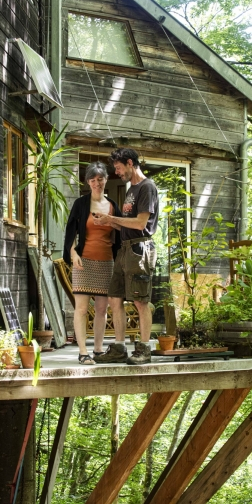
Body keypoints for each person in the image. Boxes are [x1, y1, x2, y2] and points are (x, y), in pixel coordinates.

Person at [93, 148, 159, 365]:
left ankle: (144, 350)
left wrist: (112, 217)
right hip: (125, 249)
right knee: (114, 297)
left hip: (139, 251)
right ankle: (119, 348)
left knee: (140, 301)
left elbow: (141, 224)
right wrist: (108, 222)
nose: (117, 173)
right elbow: (127, 225)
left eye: (119, 168)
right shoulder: (131, 190)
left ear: (130, 163)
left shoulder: (147, 188)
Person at [63, 162, 121, 365]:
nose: (97, 183)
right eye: (92, 179)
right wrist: (72, 253)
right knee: (80, 308)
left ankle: (97, 350)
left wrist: (110, 221)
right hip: (83, 261)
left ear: (106, 179)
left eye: (100, 179)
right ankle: (82, 352)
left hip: (107, 261)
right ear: (88, 182)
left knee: (102, 309)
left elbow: (122, 231)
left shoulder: (113, 205)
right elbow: (70, 231)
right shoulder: (81, 203)